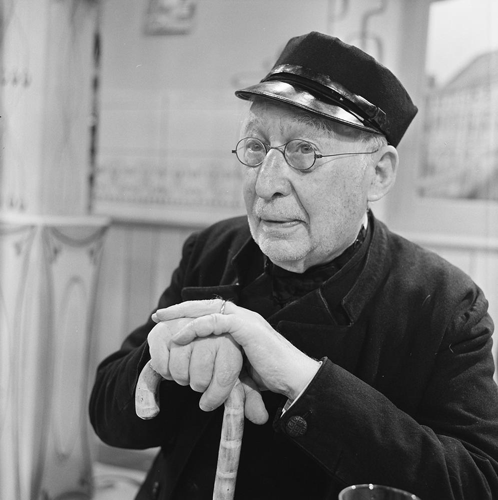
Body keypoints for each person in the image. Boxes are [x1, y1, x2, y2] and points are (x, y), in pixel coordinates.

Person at [89, 31, 498, 500]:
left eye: (305, 152)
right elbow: (108, 419)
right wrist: (160, 360)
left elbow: (479, 482)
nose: (265, 185)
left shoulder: (444, 304)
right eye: (256, 147)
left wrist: (303, 379)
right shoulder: (213, 249)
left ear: (379, 173)